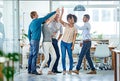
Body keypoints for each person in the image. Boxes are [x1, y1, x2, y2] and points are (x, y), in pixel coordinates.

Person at [28, 9, 58, 75]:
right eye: (36, 14)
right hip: (36, 40)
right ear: (34, 15)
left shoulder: (31, 23)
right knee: (35, 56)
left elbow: (28, 33)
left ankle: (29, 70)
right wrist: (55, 11)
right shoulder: (38, 21)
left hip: (32, 40)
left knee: (31, 55)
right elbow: (46, 17)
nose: (38, 15)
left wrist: (30, 41)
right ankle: (33, 70)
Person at [59, 7, 77, 75]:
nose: (70, 20)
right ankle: (64, 69)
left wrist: (73, 45)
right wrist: (62, 12)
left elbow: (74, 38)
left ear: (74, 19)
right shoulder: (66, 25)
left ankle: (70, 69)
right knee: (63, 56)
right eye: (69, 19)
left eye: (71, 18)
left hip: (69, 44)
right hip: (63, 43)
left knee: (70, 56)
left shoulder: (75, 28)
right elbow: (60, 20)